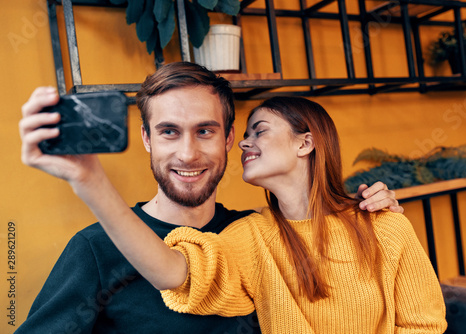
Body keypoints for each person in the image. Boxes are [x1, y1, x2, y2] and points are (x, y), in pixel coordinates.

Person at [17, 62, 403, 334]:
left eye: (205, 131)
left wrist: (371, 218)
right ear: (147, 139)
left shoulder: (259, 234)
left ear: (229, 138)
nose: (188, 153)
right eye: (169, 132)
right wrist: (86, 177)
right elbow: (173, 272)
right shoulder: (95, 249)